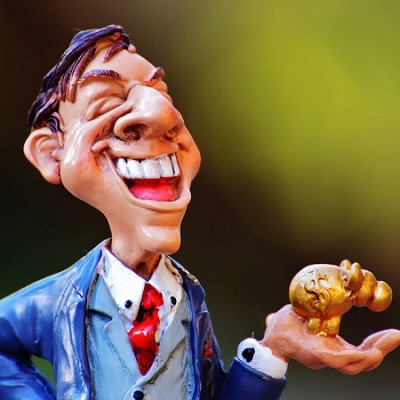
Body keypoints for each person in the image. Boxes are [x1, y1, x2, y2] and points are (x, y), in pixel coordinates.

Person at [0, 25, 399, 400]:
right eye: (107, 103)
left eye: (161, 94)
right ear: (51, 154)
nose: (163, 116)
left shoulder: (189, 301)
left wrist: (275, 348)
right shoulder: (60, 302)